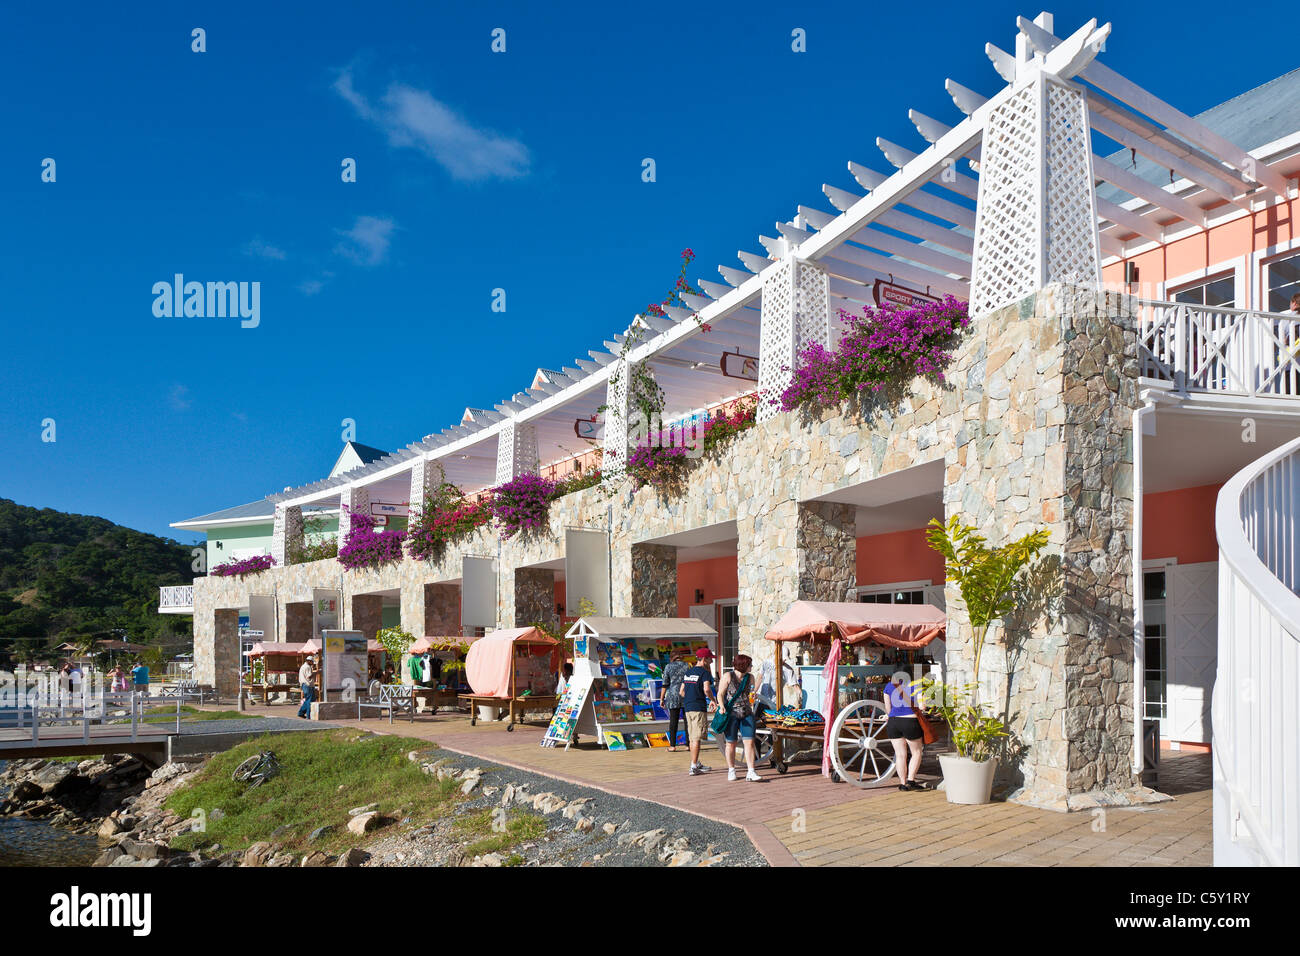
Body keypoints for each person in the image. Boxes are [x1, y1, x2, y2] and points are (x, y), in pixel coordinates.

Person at [715, 654, 760, 782]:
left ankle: (751, 771)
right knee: (731, 743)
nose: (751, 667)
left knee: (749, 742)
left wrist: (753, 696)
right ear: (744, 665)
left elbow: (751, 693)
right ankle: (731, 770)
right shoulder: (728, 676)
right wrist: (722, 706)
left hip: (747, 713)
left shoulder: (750, 677)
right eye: (750, 664)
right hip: (732, 714)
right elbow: (720, 694)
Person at [883, 672, 926, 791]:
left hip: (893, 723)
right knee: (916, 752)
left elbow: (888, 709)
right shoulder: (916, 685)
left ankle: (902, 784)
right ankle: (911, 780)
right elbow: (922, 706)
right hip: (910, 722)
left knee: (900, 755)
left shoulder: (888, 686)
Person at [680, 649, 717, 775]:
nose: (711, 661)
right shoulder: (704, 673)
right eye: (710, 659)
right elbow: (707, 689)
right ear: (704, 659)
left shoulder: (688, 672)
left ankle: (696, 762)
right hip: (698, 708)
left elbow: (682, 692)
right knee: (696, 738)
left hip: (688, 707)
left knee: (692, 738)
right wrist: (713, 700)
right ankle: (693, 766)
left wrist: (691, 697)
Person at [659, 649, 690, 752]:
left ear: (672, 657)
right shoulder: (687, 665)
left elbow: (665, 684)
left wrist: (661, 698)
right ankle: (688, 745)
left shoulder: (668, 666)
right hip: (686, 694)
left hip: (672, 695)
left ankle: (672, 746)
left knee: (673, 721)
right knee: (687, 721)